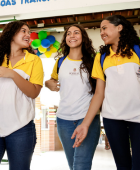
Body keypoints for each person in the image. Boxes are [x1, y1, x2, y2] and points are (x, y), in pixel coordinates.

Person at [72, 15, 140, 170]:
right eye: (100, 29)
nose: (101, 32)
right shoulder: (101, 57)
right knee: (123, 167)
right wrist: (85, 124)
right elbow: (99, 94)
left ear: (119, 27)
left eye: (104, 28)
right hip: (112, 119)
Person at [0, 21, 44, 170]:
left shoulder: (34, 60)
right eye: (23, 31)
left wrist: (12, 74)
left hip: (21, 126)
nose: (28, 35)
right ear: (11, 34)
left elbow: (33, 92)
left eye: (29, 32)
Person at [45, 24, 100, 170]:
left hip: (87, 117)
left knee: (81, 165)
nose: (72, 36)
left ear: (83, 37)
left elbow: (101, 91)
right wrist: (47, 83)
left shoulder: (93, 62)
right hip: (64, 120)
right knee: (73, 165)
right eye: (69, 33)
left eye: (76, 33)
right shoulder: (60, 62)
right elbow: (52, 80)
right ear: (65, 39)